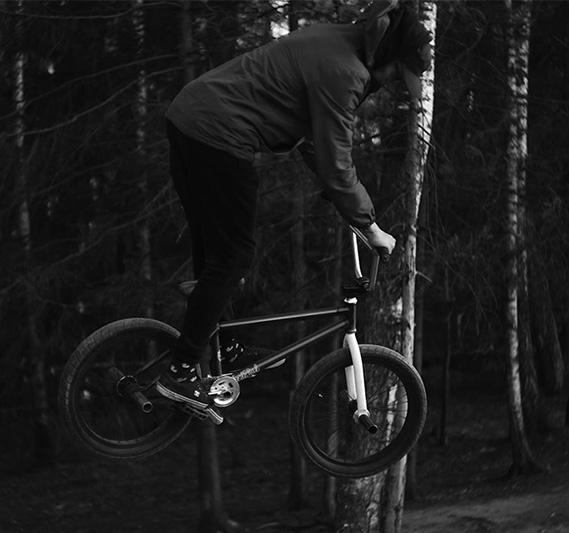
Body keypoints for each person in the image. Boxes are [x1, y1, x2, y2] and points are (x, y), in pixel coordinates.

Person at [158, 0, 432, 410]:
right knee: (234, 257)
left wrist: (345, 203)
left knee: (216, 255)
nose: (394, 81)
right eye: (397, 72)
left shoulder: (334, 39)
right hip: (220, 133)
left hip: (187, 117)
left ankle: (224, 346)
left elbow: (314, 141)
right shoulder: (346, 72)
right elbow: (337, 163)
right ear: (388, 55)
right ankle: (179, 374)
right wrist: (370, 226)